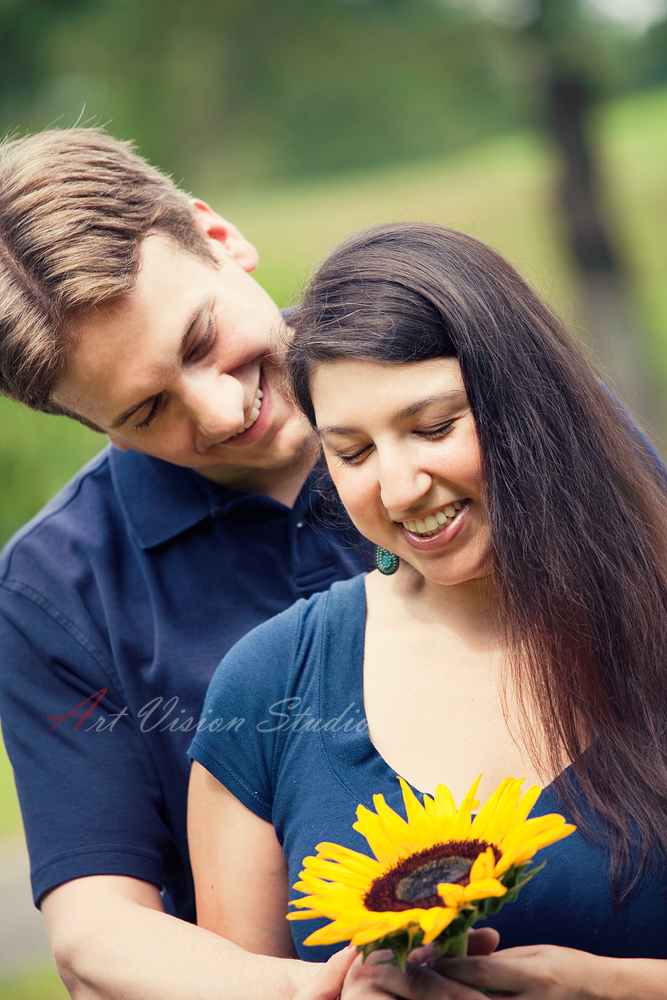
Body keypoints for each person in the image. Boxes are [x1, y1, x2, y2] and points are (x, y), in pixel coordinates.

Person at [188, 222, 667, 999]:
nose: (400, 487)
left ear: (528, 405)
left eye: (433, 427)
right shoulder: (269, 684)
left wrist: (607, 987)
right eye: (352, 453)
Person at [0, 126, 380, 1000]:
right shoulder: (56, 589)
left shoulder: (474, 392)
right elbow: (97, 925)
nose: (217, 411)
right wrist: (302, 993)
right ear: (90, 424)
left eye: (201, 337)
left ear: (217, 237)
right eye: (144, 411)